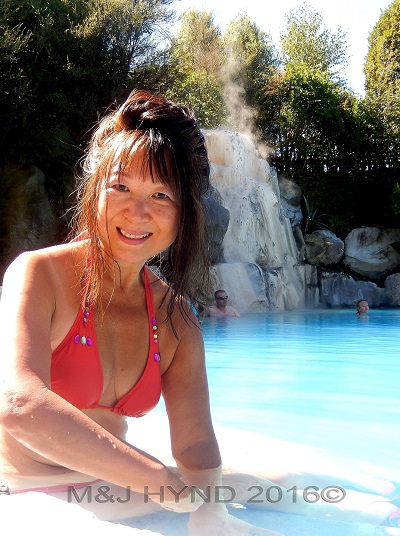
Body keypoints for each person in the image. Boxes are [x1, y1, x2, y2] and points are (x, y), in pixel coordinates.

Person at [0, 89, 398, 534]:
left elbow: (195, 442)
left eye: (161, 196)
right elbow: (19, 405)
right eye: (122, 187)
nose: (138, 212)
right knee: (240, 486)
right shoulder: (40, 275)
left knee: (245, 486)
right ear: (95, 190)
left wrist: (208, 509)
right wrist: (162, 484)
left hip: (116, 485)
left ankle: (369, 513)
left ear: (186, 212)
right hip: (30, 489)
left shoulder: (175, 318)